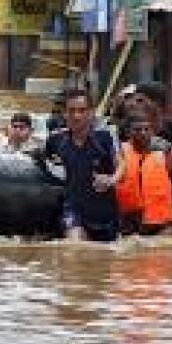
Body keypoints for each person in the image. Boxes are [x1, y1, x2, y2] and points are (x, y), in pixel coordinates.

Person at [34, 89, 118, 242]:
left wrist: (112, 179)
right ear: (64, 113)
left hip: (105, 214)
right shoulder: (55, 140)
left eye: (82, 110)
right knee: (76, 247)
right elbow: (41, 163)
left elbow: (122, 165)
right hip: (73, 210)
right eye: (71, 111)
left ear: (91, 112)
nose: (76, 116)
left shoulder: (105, 138)